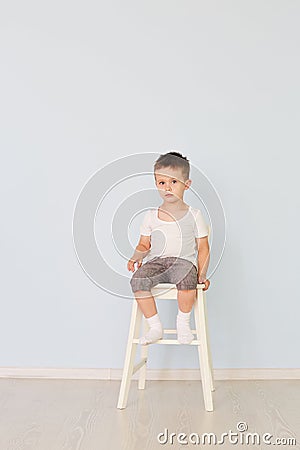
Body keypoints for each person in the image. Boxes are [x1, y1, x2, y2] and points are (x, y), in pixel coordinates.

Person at [127, 151, 210, 345]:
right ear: (157, 184)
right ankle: (155, 326)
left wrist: (202, 275)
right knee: (137, 281)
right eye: (162, 183)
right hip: (157, 263)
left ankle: (183, 323)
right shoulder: (151, 215)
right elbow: (144, 244)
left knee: (187, 281)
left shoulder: (194, 215)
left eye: (174, 182)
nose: (168, 188)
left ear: (186, 185)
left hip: (183, 263)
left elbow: (203, 247)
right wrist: (135, 256)